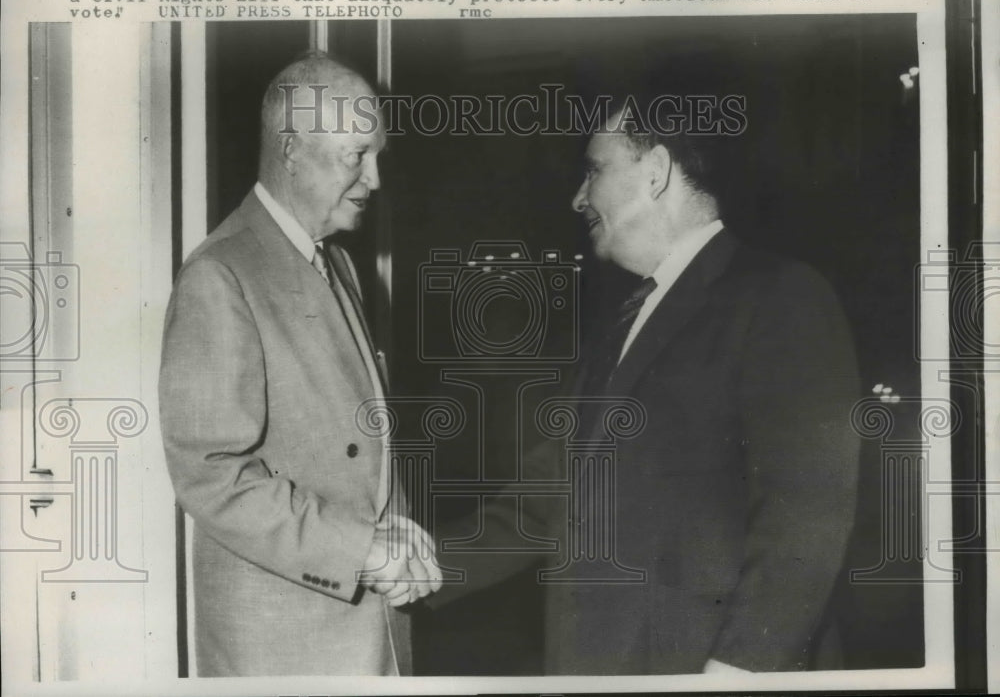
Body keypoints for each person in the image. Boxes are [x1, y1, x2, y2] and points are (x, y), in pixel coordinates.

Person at [426, 101, 861, 675]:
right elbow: (543, 505)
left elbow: (808, 512)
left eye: (594, 170)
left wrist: (739, 670)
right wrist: (409, 566)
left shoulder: (780, 296)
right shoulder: (623, 324)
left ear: (655, 171)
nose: (578, 198)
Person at [159, 54, 440, 677]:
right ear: (290, 151)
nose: (374, 179)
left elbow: (342, 442)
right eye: (355, 156)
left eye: (377, 157)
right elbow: (210, 476)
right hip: (286, 650)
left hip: (366, 631)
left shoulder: (336, 264)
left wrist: (392, 528)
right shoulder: (220, 274)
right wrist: (363, 550)